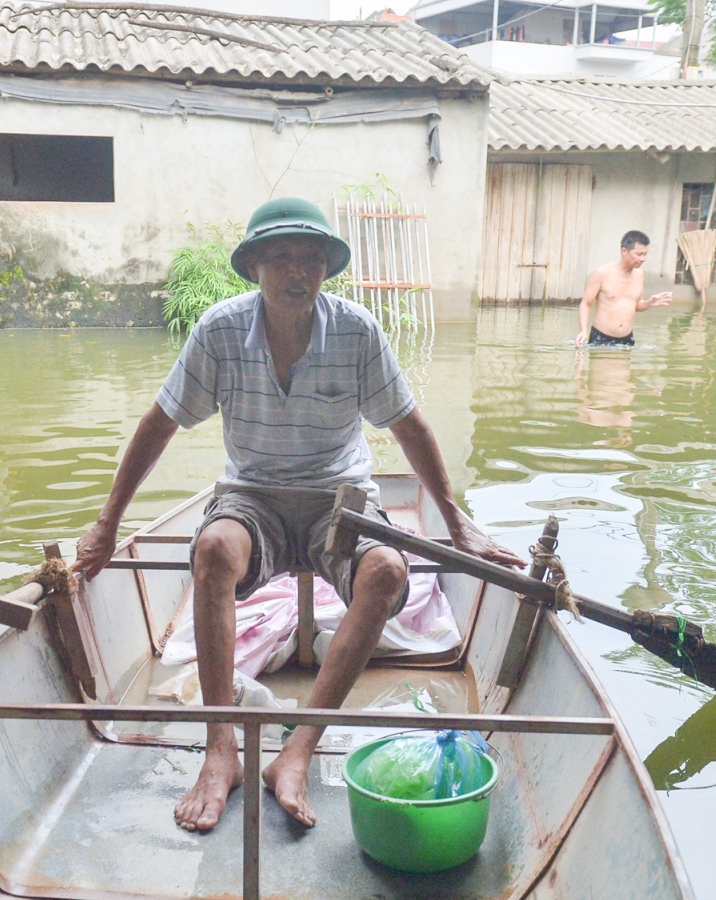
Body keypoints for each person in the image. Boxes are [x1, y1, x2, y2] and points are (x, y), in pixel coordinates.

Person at [74, 197, 523, 833]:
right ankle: (220, 749)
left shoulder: (356, 329)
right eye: (281, 257)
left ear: (325, 270)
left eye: (310, 259)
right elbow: (159, 424)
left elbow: (409, 425)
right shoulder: (220, 330)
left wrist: (458, 526)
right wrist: (108, 524)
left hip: (337, 498)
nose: (296, 272)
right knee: (210, 552)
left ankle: (297, 751)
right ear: (255, 265)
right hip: (251, 492)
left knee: (389, 572)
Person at [576, 230, 673, 347]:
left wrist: (649, 303)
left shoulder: (639, 275)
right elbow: (586, 303)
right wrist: (583, 331)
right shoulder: (602, 273)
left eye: (645, 254)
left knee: (624, 365)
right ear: (624, 251)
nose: (643, 259)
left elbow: (636, 305)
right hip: (602, 338)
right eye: (639, 254)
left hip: (627, 338)